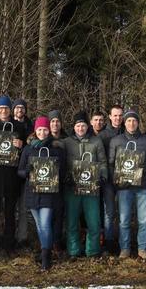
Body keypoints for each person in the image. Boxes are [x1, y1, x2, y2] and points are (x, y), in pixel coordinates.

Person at [109, 108, 146, 260]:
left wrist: (142, 169)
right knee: (124, 220)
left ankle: (142, 249)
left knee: (143, 220)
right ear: (124, 122)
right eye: (129, 120)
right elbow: (111, 164)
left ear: (138, 123)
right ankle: (124, 249)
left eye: (134, 120)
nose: (131, 123)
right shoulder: (116, 141)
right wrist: (117, 180)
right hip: (124, 188)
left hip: (143, 187)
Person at [17, 116, 67, 269]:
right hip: (32, 192)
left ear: (49, 131)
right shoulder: (28, 149)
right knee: (39, 225)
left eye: (45, 129)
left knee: (45, 224)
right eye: (39, 129)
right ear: (35, 131)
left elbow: (64, 171)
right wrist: (27, 171)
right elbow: (20, 171)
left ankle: (46, 256)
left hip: (49, 193)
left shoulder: (56, 149)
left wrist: (55, 171)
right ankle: (46, 250)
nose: (42, 132)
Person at [0, 95, 28, 258]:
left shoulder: (19, 126)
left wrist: (21, 145)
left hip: (12, 176)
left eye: (6, 108)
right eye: (0, 108)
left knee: (10, 213)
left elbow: (26, 152)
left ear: (10, 110)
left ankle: (9, 246)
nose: (3, 111)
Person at [62, 111, 108, 259]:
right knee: (72, 221)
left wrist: (102, 176)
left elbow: (102, 162)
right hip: (72, 188)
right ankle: (74, 250)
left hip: (91, 187)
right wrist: (66, 177)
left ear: (87, 126)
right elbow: (60, 160)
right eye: (78, 125)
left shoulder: (96, 141)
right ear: (74, 127)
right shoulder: (66, 142)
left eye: (83, 125)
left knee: (93, 220)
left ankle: (92, 250)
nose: (80, 128)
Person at [98, 104, 124, 254]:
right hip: (108, 180)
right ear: (110, 116)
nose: (118, 118)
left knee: (124, 212)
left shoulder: (127, 131)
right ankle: (108, 242)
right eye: (115, 115)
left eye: (120, 115)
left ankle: (123, 242)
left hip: (124, 179)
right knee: (109, 212)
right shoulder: (102, 135)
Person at [13, 98, 33, 249]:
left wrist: (23, 144)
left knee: (24, 205)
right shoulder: (7, 125)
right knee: (10, 207)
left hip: (26, 170)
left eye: (22, 108)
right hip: (8, 171)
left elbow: (34, 145)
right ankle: (9, 236)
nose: (20, 110)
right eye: (17, 108)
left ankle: (22, 237)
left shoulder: (31, 126)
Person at [48, 109, 68, 253]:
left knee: (60, 213)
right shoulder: (43, 139)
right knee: (48, 214)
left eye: (57, 121)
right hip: (46, 183)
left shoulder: (67, 140)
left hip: (63, 182)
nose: (55, 124)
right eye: (53, 121)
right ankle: (46, 242)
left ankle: (57, 241)